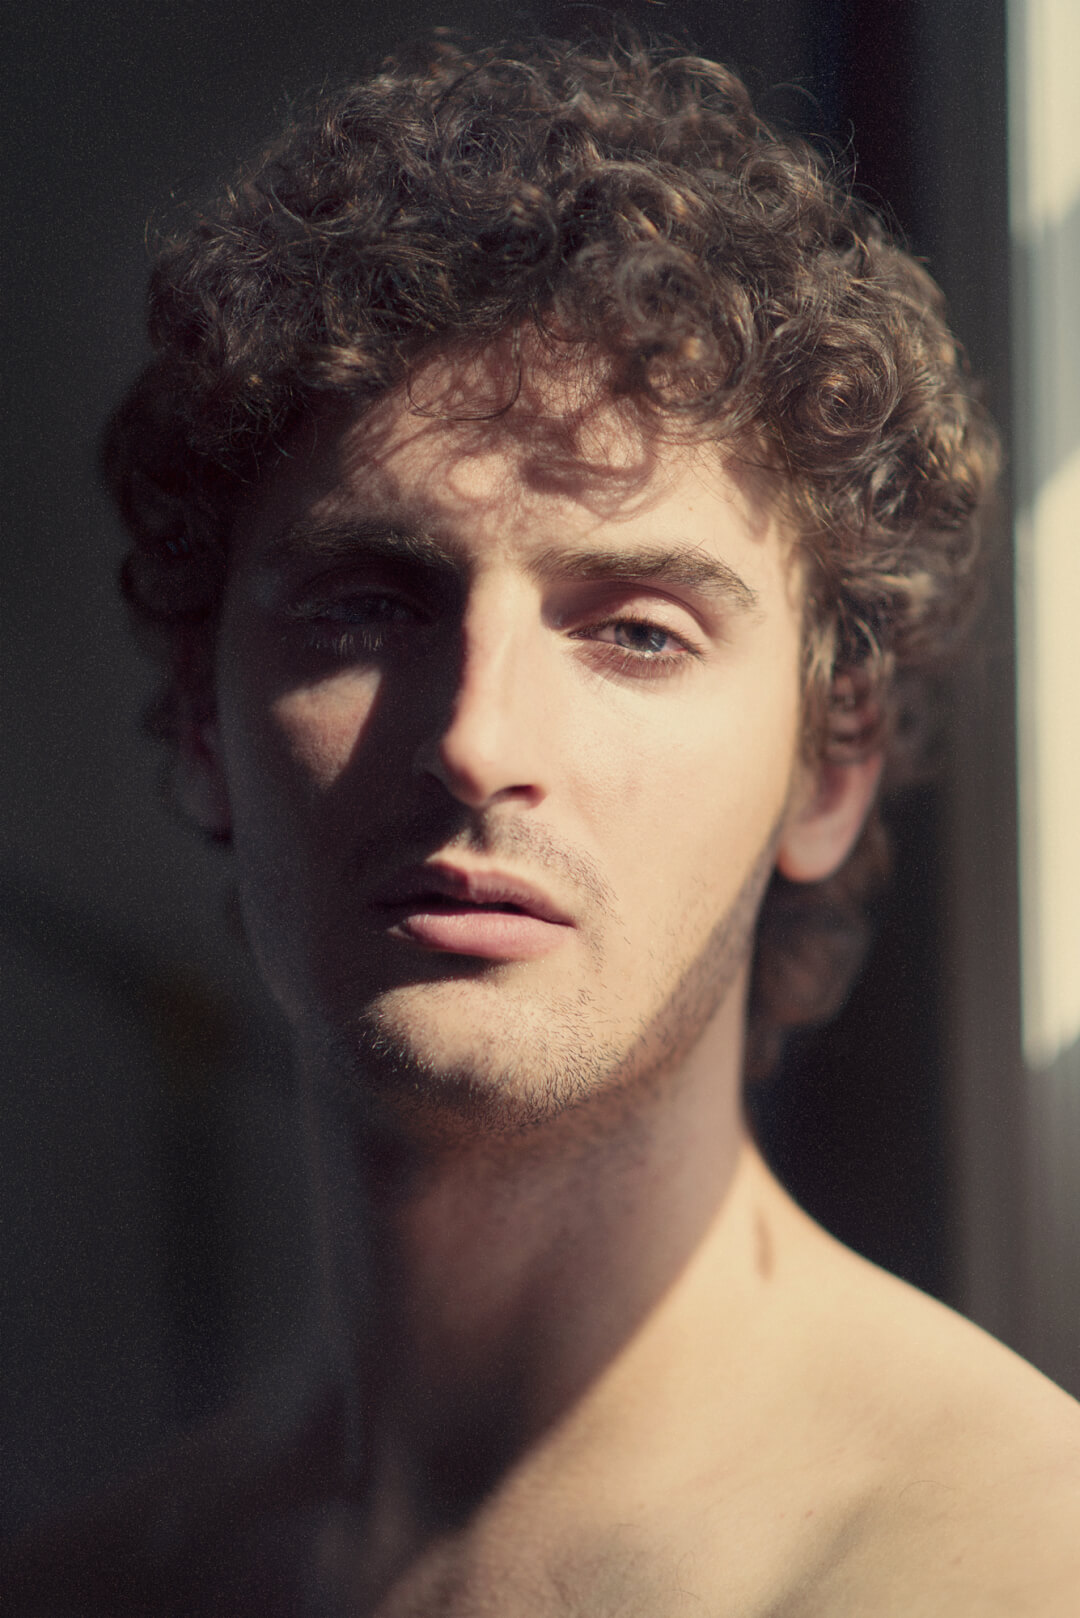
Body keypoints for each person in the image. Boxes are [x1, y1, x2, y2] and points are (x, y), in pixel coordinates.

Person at [8, 31, 1080, 1618]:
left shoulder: (1004, 1560)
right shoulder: (96, 1576)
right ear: (198, 720)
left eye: (637, 629)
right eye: (371, 606)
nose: (475, 738)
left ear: (829, 765)